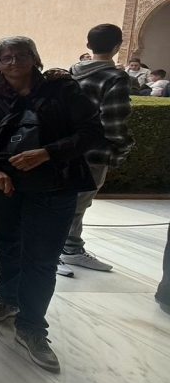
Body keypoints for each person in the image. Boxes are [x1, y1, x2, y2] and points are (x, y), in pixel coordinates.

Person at [0, 36, 102, 373]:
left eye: (21, 55)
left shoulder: (62, 90)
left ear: (35, 58)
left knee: (41, 258)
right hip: (6, 187)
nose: (14, 62)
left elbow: (91, 132)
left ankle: (32, 326)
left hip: (54, 186)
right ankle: (9, 299)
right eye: (6, 57)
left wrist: (48, 153)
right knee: (7, 245)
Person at [62, 24, 135, 275]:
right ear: (118, 46)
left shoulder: (71, 73)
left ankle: (68, 247)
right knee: (78, 203)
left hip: (65, 149)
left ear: (88, 45)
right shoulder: (114, 78)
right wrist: (121, 149)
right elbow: (114, 120)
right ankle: (64, 250)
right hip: (94, 152)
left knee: (69, 201)